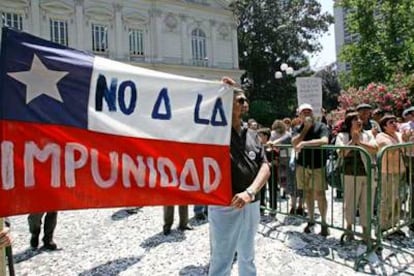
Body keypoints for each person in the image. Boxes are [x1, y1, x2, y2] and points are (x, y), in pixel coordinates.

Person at [208, 86, 270, 276]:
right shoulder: (214, 130)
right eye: (239, 100)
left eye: (245, 100)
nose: (245, 104)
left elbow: (265, 166)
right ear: (227, 103)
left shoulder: (252, 134)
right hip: (225, 204)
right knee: (221, 258)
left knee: (247, 254)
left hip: (251, 202)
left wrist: (250, 192)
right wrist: (217, 89)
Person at [335, 112, 378, 242]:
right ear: (349, 122)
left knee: (367, 203)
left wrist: (359, 142)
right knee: (350, 202)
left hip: (367, 173)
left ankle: (366, 232)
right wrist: (353, 141)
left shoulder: (367, 134)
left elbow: (375, 148)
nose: (359, 120)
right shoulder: (342, 136)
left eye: (360, 118)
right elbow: (341, 153)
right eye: (355, 119)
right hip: (350, 174)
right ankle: (349, 229)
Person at [292, 103, 330, 236]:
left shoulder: (321, 126)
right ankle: (311, 219)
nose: (307, 114)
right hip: (302, 165)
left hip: (318, 165)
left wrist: (305, 143)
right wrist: (305, 130)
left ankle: (324, 223)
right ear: (299, 115)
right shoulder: (298, 128)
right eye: (304, 112)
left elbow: (325, 140)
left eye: (309, 111)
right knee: (307, 193)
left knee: (320, 194)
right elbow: (294, 142)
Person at [376, 114, 407, 238]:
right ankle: (383, 226)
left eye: (395, 121)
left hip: (400, 171)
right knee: (387, 199)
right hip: (387, 172)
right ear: (384, 126)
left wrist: (404, 140)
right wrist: (403, 142)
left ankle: (394, 225)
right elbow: (389, 149)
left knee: (398, 199)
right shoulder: (381, 136)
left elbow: (405, 150)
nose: (394, 124)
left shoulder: (398, 135)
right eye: (391, 122)